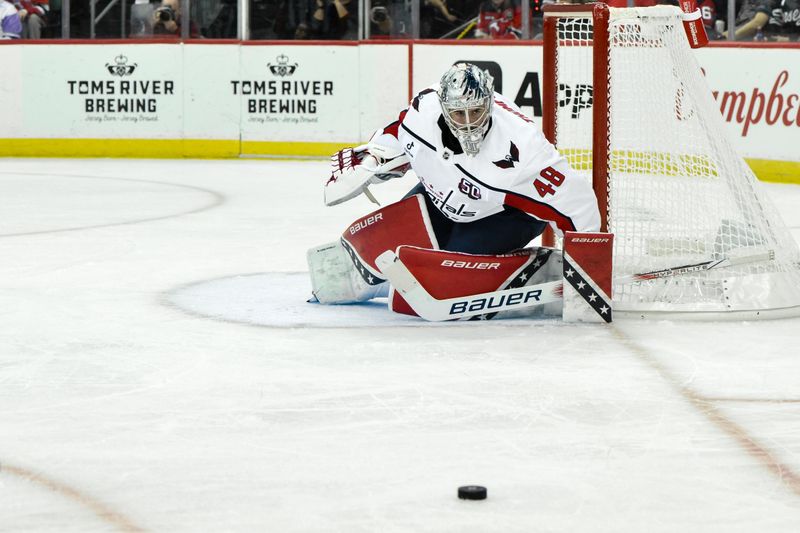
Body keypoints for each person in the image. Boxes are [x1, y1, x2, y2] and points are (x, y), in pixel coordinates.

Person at [309, 63, 600, 308]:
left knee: (441, 280)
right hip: (444, 197)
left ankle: (531, 273)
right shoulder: (424, 110)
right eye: (459, 114)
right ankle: (380, 284)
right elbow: (397, 133)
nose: (469, 123)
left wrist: (589, 273)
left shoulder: (524, 151)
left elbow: (577, 203)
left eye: (476, 112)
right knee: (378, 237)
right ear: (445, 109)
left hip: (504, 217)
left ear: (489, 105)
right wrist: (373, 158)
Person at [726, 0, 800, 41]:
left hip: (789, 46)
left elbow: (758, 22)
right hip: (772, 46)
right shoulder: (775, 3)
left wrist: (731, 36)